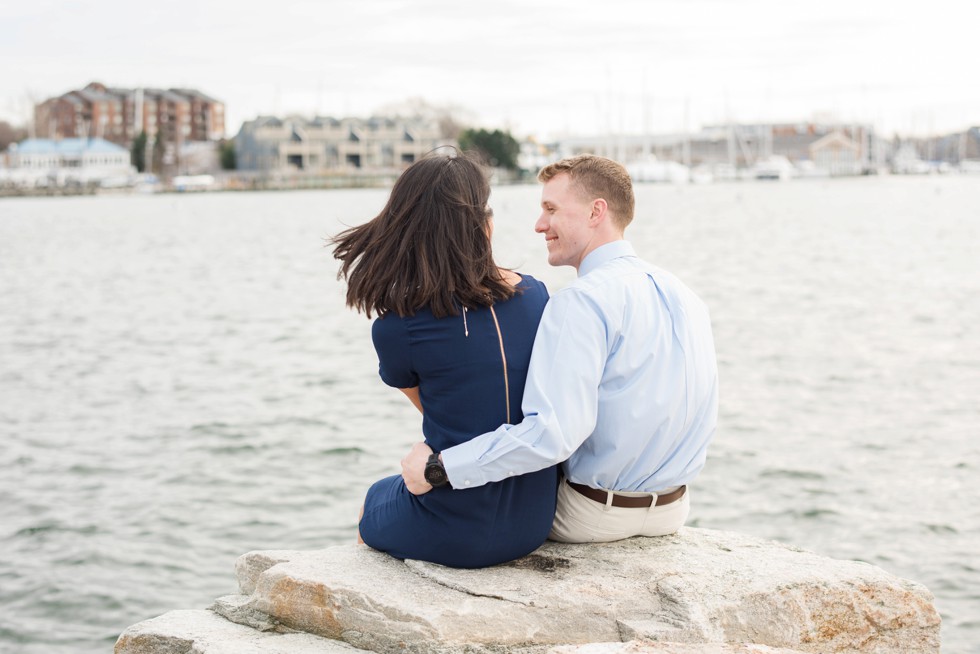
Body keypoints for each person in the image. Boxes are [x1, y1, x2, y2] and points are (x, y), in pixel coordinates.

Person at [402, 154, 718, 543]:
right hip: (673, 510)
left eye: (551, 209)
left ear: (595, 212)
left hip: (594, 515)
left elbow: (552, 435)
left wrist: (440, 468)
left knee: (418, 507)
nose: (539, 225)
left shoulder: (581, 301)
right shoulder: (684, 294)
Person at [331, 148, 558, 568]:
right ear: (484, 227)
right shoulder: (538, 297)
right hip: (533, 520)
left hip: (455, 525)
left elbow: (443, 407)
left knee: (375, 501)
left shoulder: (397, 328)